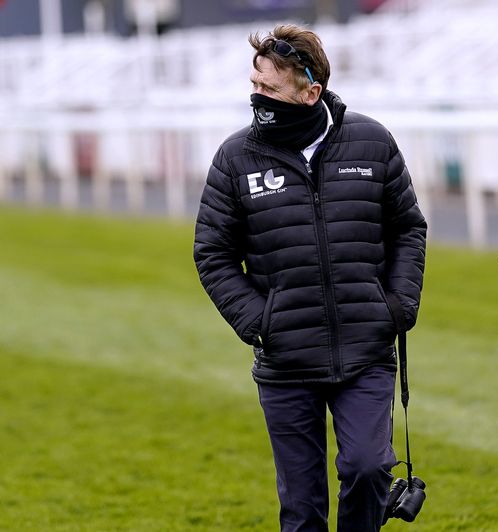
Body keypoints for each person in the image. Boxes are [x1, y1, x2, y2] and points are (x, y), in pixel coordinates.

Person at [193, 24, 426, 532]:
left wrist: (398, 305)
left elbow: (408, 227)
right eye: (254, 85)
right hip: (285, 359)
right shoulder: (236, 157)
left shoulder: (372, 141)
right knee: (302, 509)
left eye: (270, 89)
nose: (257, 98)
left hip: (366, 351)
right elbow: (211, 252)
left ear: (310, 92)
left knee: (368, 469)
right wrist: (262, 321)